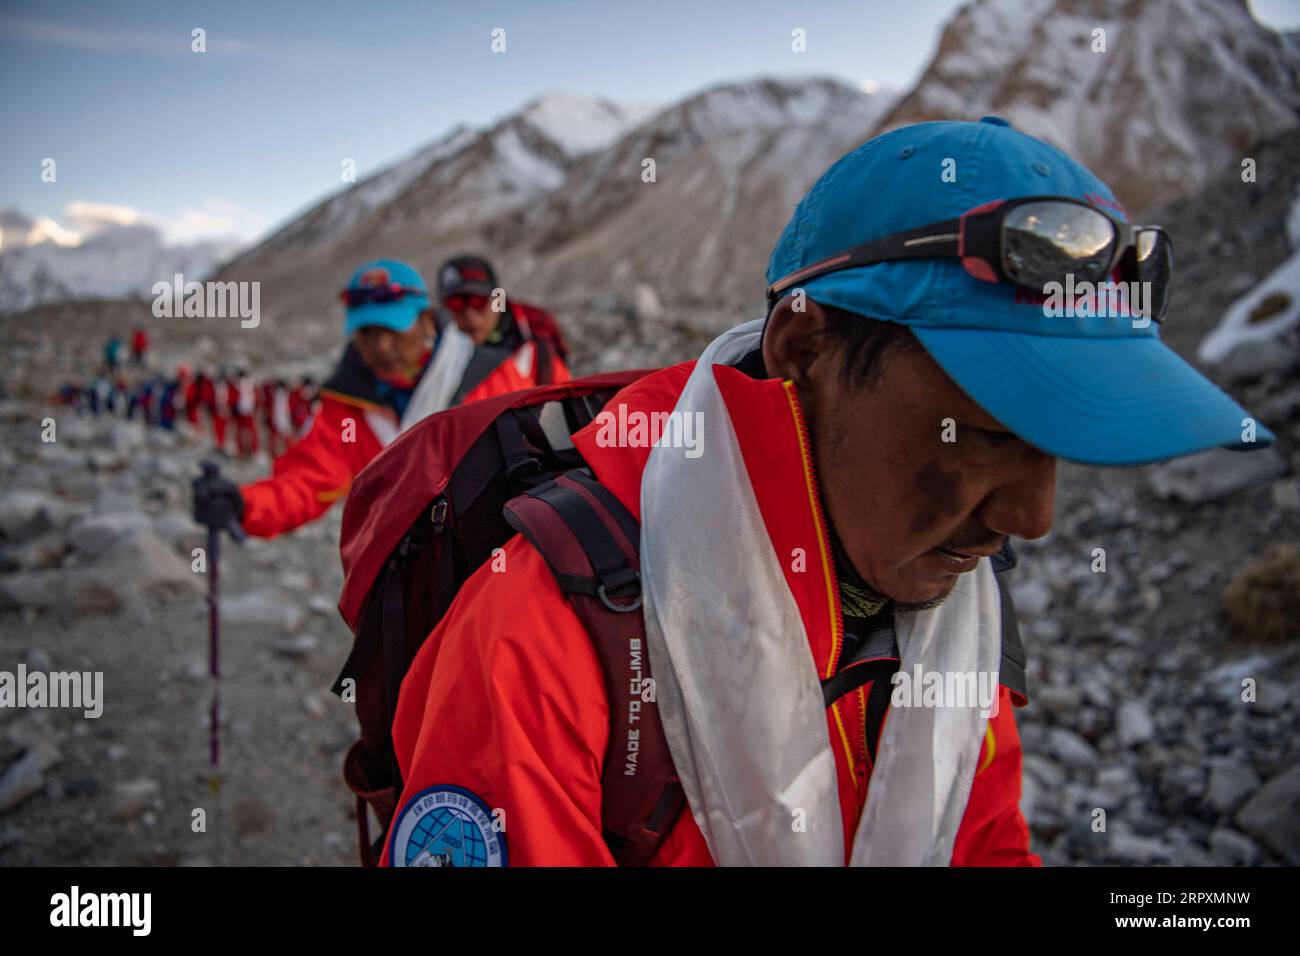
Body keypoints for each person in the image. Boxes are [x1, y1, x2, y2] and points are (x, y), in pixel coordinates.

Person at [378, 118, 1276, 867]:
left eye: (1058, 445)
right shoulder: (542, 639)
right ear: (803, 351)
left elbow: (984, 840)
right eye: (991, 435)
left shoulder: (949, 601)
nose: (1028, 521)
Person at [195, 260, 447, 538]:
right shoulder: (345, 406)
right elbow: (309, 480)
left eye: (393, 329)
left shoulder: (477, 377)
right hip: (399, 559)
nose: (381, 346)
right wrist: (245, 504)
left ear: (427, 320)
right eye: (367, 333)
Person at [436, 254, 570, 403]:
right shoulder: (436, 355)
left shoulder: (533, 339)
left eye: (478, 301)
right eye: (456, 304)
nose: (469, 315)